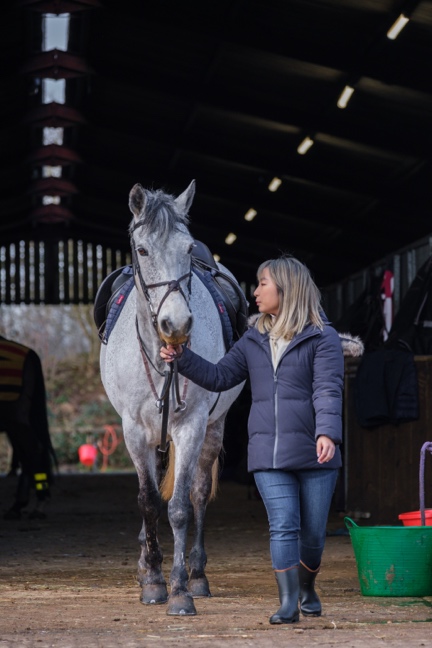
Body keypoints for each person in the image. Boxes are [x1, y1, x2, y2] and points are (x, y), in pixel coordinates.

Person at [160, 255, 344, 625]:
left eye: (263, 283)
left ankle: (307, 587)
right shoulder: (252, 338)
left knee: (312, 535)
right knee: (283, 525)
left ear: (286, 289)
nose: (255, 291)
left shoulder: (323, 337)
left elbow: (328, 388)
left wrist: (327, 432)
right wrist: (181, 357)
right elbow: (218, 376)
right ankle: (289, 602)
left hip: (316, 452)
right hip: (267, 452)